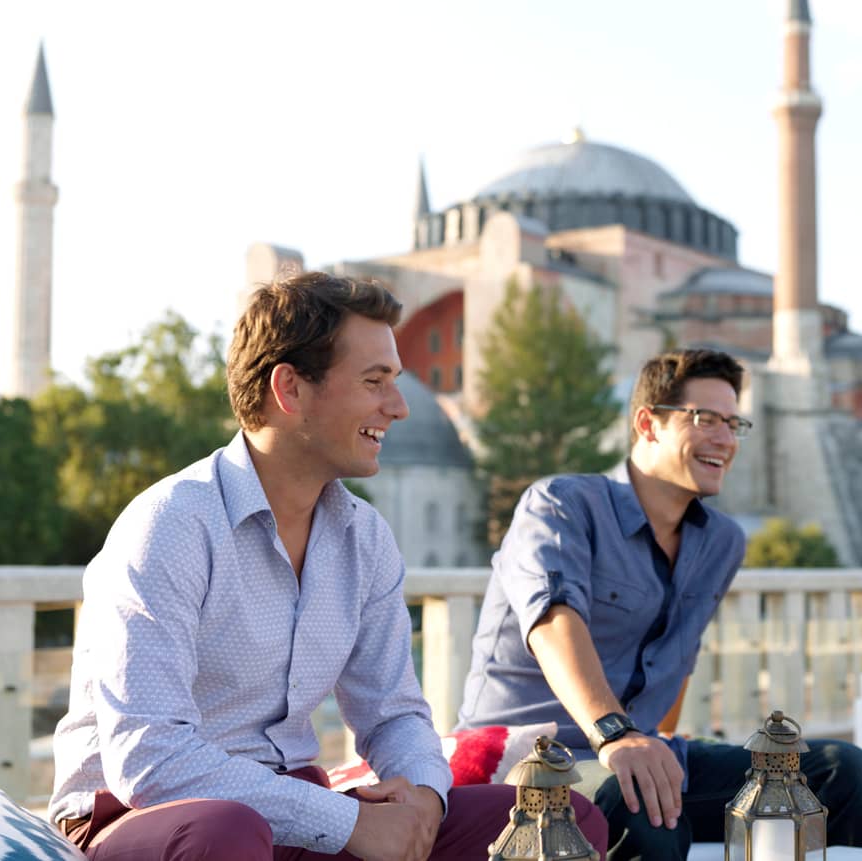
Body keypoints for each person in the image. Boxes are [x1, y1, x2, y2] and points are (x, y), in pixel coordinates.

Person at [49, 271, 606, 861]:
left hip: (297, 812)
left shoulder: (364, 540)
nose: (398, 407)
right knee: (226, 833)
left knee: (559, 823)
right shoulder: (170, 526)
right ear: (289, 388)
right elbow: (149, 758)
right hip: (142, 819)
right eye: (375, 382)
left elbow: (392, 714)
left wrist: (423, 799)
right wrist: (345, 822)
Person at [455, 348, 862, 861]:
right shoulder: (561, 504)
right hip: (528, 761)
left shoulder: (721, 542)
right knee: (646, 810)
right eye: (705, 419)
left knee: (840, 771)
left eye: (733, 422)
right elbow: (552, 622)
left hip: (636, 753)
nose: (725, 438)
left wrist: (655, 740)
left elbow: (675, 658)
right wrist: (616, 733)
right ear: (647, 424)